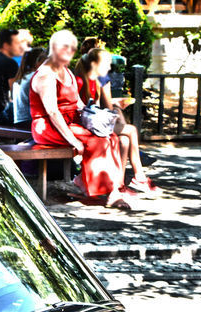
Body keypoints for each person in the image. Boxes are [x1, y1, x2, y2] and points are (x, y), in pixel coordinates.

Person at [30, 30, 130, 208]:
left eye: (72, 49)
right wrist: (73, 140)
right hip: (48, 126)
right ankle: (109, 193)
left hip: (71, 122)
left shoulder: (66, 72)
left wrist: (97, 118)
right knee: (97, 141)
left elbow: (78, 103)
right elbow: (52, 112)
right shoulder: (46, 74)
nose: (70, 53)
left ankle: (101, 185)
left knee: (112, 138)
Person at [76, 47, 155, 193]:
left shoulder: (85, 76)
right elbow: (106, 106)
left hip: (88, 121)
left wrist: (114, 105)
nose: (108, 67)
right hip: (88, 125)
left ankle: (119, 185)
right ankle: (139, 177)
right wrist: (116, 105)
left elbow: (96, 105)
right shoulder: (97, 79)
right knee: (131, 130)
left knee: (124, 141)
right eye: (106, 64)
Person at [10, 47, 46, 131]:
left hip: (19, 122)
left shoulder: (22, 78)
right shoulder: (35, 77)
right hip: (30, 123)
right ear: (37, 62)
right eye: (45, 61)